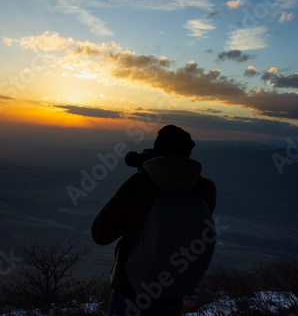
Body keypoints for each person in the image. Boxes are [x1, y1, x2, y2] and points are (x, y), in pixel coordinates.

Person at [91, 125, 217, 316]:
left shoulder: (140, 184)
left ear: (158, 150)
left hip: (131, 295)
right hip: (174, 293)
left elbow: (100, 234)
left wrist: (145, 172)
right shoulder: (205, 189)